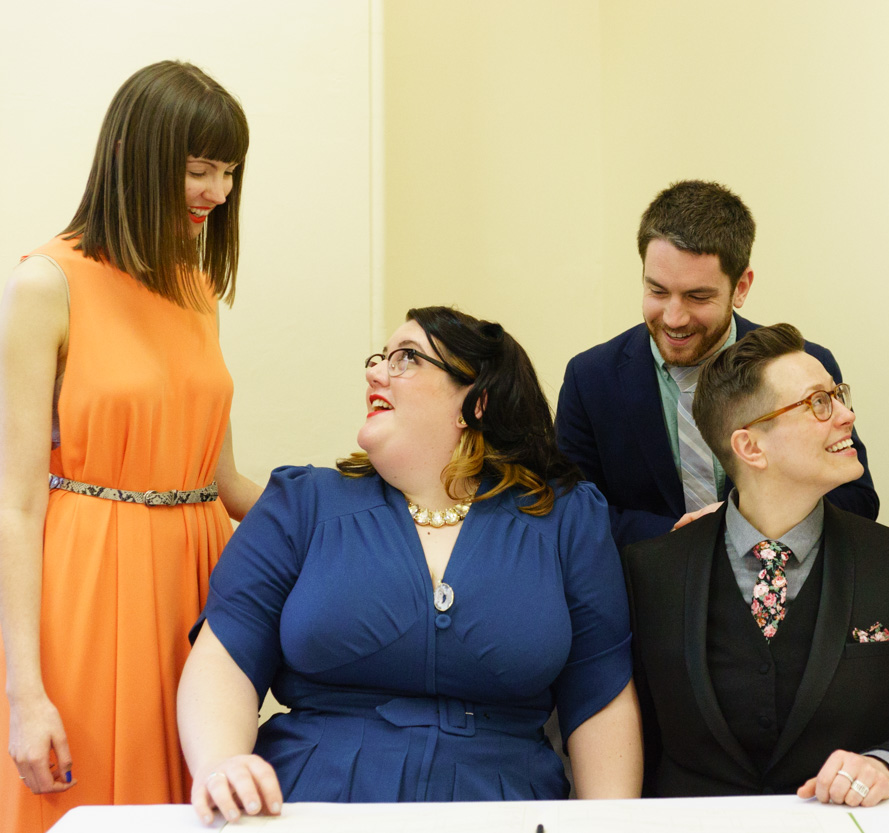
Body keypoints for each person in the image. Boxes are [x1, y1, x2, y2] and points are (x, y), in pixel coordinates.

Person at [177, 306, 642, 824]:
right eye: (380, 358)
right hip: (313, 802)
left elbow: (601, 696)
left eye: (407, 359)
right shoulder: (300, 503)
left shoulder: (566, 517)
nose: (376, 372)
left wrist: (608, 823)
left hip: (503, 806)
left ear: (477, 401)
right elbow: (225, 657)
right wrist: (221, 763)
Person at [0, 61, 262, 833]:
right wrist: (25, 693)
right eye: (198, 170)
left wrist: (366, 506)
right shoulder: (46, 283)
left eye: (229, 173)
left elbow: (221, 480)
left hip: (196, 590)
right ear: (138, 158)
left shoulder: (196, 288)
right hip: (85, 587)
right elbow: (14, 504)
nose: (217, 192)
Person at [623, 323, 889, 802]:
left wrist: (888, 768)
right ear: (751, 446)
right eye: (819, 403)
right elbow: (632, 743)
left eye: (839, 396)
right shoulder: (650, 573)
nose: (847, 415)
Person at [556, 180, 878, 549]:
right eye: (657, 291)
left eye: (697, 296)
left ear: (741, 287)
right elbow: (572, 514)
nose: (674, 318)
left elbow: (858, 500)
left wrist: (742, 527)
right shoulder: (590, 379)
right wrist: (681, 537)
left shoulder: (806, 367)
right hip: (645, 593)